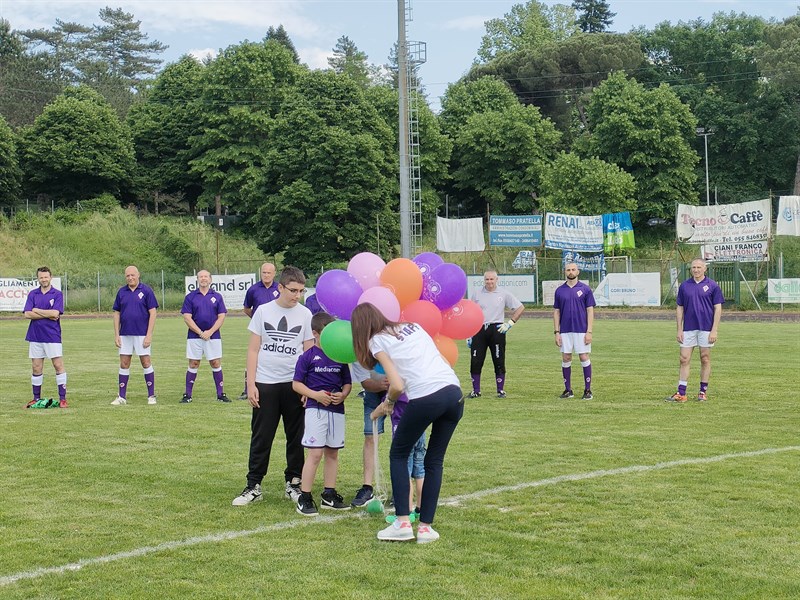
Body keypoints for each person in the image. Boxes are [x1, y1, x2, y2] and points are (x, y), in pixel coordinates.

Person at [352, 302, 463, 544]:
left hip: (426, 396)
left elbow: (398, 385)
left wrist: (387, 404)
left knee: (399, 454)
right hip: (454, 393)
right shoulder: (413, 326)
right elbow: (443, 360)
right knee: (434, 460)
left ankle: (402, 522)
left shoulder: (376, 341)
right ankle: (425, 528)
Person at [232, 266, 314, 506]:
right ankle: (253, 485)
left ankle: (294, 483)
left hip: (294, 385)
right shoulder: (263, 312)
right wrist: (251, 384)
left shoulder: (306, 314)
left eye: (300, 291)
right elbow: (253, 349)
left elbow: (308, 353)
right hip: (265, 383)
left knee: (296, 437)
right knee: (261, 436)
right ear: (280, 287)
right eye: (292, 290)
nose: (297, 295)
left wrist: (306, 388)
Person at [292, 312, 353, 516]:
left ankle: (329, 494)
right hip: (315, 410)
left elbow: (347, 382)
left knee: (332, 453)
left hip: (336, 411)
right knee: (315, 453)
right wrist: (315, 395)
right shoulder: (307, 357)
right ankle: (305, 496)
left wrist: (343, 395)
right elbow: (297, 384)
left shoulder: (339, 355)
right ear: (315, 333)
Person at [666, 258, 724, 403]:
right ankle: (681, 393)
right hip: (688, 328)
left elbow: (718, 308)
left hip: (706, 327)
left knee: (705, 358)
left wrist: (714, 330)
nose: (696, 270)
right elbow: (680, 308)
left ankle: (702, 392)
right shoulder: (685, 286)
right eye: (693, 267)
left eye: (699, 267)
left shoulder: (712, 286)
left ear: (705, 269)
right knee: (683, 358)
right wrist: (679, 328)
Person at [467, 270, 524, 398]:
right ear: (484, 280)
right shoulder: (477, 294)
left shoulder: (503, 293)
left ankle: (500, 390)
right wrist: (469, 333)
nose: (489, 282)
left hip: (497, 329)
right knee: (476, 360)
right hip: (479, 329)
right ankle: (476, 391)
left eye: (492, 279)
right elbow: (470, 313)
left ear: (496, 280)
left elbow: (520, 308)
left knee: (498, 359)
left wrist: (509, 323)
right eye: (487, 279)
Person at [180, 270, 230, 403]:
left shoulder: (217, 296)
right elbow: (187, 317)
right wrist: (200, 332)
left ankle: (220, 394)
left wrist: (210, 332)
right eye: (201, 277)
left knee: (215, 362)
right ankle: (188, 395)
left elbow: (221, 317)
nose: (203, 279)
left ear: (210, 279)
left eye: (206, 276)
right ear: (197, 279)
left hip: (213, 336)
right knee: (194, 363)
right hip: (194, 336)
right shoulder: (190, 297)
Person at [111, 266, 158, 405]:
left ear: (138, 275)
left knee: (146, 362)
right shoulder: (121, 292)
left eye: (133, 275)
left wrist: (149, 334)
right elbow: (116, 313)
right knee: (124, 363)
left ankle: (151, 396)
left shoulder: (146, 291)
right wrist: (116, 334)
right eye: (127, 276)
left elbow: (153, 313)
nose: (130, 278)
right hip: (125, 334)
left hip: (142, 333)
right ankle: (122, 397)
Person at [24, 267, 68, 408]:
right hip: (35, 335)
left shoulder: (57, 294)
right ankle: (36, 398)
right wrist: (47, 314)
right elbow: (27, 314)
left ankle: (63, 399)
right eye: (41, 277)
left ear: (51, 277)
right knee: (36, 368)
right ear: (38, 278)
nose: (43, 279)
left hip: (52, 335)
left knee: (58, 365)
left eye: (46, 277)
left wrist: (37, 310)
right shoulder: (33, 294)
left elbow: (56, 313)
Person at [348, 362, 389, 508]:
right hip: (374, 392)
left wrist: (394, 382)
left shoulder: (387, 342)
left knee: (403, 437)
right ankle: (367, 487)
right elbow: (366, 384)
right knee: (370, 437)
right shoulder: (357, 352)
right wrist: (382, 385)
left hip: (400, 387)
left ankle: (403, 490)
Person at [553, 262, 596, 400]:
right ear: (565, 272)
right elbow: (556, 312)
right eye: (568, 270)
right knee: (566, 357)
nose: (571, 272)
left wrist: (589, 331)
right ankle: (568, 390)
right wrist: (556, 332)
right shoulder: (559, 290)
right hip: (565, 330)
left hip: (581, 329)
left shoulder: (585, 289)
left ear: (578, 271)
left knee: (583, 356)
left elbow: (590, 311)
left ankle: (588, 390)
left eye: (573, 269)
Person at [239, 262, 279, 399]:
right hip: (260, 331)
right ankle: (247, 389)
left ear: (274, 273)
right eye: (264, 272)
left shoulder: (280, 288)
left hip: (277, 331)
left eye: (269, 273)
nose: (266, 275)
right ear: (260, 273)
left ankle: (273, 385)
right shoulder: (253, 289)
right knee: (253, 355)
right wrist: (257, 321)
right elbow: (246, 308)